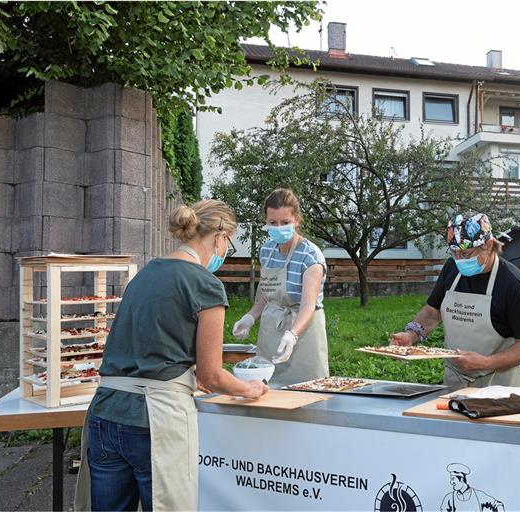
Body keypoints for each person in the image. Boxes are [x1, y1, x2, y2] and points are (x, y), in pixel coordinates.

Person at [74, 199, 268, 511]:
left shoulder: (145, 274)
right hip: (154, 421)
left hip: (105, 411)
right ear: (219, 237)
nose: (223, 253)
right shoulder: (206, 284)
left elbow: (148, 340)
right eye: (227, 245)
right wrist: (251, 389)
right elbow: (211, 374)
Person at [390, 212, 520, 388]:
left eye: (467, 254)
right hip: (456, 383)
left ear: (489, 245)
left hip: (500, 387)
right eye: (455, 253)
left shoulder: (514, 284)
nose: (460, 260)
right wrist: (411, 334)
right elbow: (432, 312)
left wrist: (485, 362)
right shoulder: (452, 268)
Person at [232, 188, 329, 387]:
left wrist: (292, 335)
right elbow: (268, 293)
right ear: (266, 223)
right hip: (271, 330)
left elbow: (308, 305)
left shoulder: (311, 256)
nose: (279, 227)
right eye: (273, 223)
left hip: (304, 332)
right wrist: (250, 317)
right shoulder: (267, 250)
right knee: (265, 390)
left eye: (285, 223)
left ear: (297, 221)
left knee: (307, 393)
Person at [440, 463, 505, 512]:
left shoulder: (478, 495)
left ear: (461, 479)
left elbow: (497, 504)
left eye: (453, 479)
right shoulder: (449, 498)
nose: (451, 482)